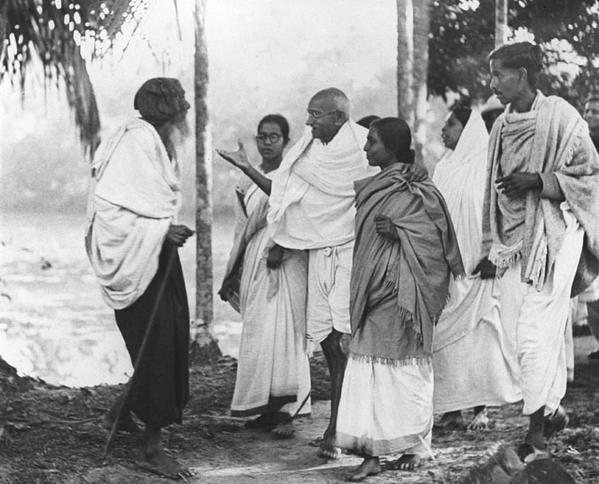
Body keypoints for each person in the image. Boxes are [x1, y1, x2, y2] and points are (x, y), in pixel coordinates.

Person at [220, 88, 425, 459]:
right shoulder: (307, 152)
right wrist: (247, 168)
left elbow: (392, 197)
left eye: (316, 115)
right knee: (330, 344)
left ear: (338, 117)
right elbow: (285, 196)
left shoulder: (364, 150)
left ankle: (352, 431)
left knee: (352, 343)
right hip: (319, 254)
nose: (309, 121)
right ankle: (339, 426)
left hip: (353, 255)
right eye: (309, 114)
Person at [480, 42, 599, 462]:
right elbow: (491, 191)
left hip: (553, 235)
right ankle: (551, 409)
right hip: (512, 242)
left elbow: (590, 174)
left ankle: (536, 435)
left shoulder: (563, 118)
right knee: (519, 336)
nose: (492, 83)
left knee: (534, 334)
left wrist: (540, 180)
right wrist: (489, 243)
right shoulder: (500, 126)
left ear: (524, 75)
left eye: (498, 75)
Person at [336, 117, 465, 481]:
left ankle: (416, 445)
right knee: (367, 368)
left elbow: (436, 240)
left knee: (405, 367)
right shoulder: (374, 185)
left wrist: (400, 231)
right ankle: (371, 452)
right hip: (372, 288)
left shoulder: (419, 188)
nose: (366, 148)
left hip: (404, 291)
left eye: (372, 142)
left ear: (391, 146)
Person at [85, 77, 194, 479]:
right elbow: (111, 209)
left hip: (156, 255)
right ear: (168, 110)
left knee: (168, 338)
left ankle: (119, 413)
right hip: (137, 257)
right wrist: (160, 232)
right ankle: (151, 448)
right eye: (181, 106)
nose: (185, 114)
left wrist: (162, 232)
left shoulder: (156, 142)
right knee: (158, 346)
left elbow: (149, 202)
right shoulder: (136, 142)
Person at [217, 114, 311, 437]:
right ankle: (265, 408)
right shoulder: (245, 183)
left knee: (282, 331)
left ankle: (286, 411)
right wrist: (232, 271)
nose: (267, 141)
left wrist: (281, 247)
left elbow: (294, 209)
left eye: (274, 136)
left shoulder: (295, 173)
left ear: (287, 141)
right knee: (258, 331)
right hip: (256, 258)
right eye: (262, 136)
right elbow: (242, 230)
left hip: (285, 258)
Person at [432, 106, 521, 431]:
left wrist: (494, 256)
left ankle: (480, 408)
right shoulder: (443, 168)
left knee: (480, 334)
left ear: (468, 129)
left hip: (480, 265)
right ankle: (452, 409)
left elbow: (504, 217)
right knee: (447, 336)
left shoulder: (488, 167)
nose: (444, 130)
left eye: (451, 124)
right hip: (449, 264)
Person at [581, 95, 599, 360]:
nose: (589, 114)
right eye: (586, 110)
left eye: (595, 111)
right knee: (592, 283)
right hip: (588, 214)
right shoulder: (581, 142)